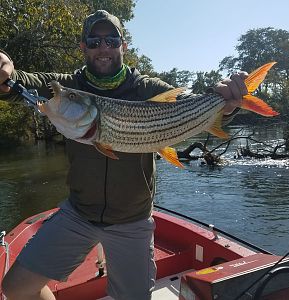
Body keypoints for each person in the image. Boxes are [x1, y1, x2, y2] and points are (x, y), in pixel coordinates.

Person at [0, 10, 248, 300]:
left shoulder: (147, 88)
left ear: (123, 46)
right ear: (83, 47)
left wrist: (227, 103)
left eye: (111, 39)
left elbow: (192, 106)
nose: (103, 47)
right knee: (15, 288)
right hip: (78, 213)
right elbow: (18, 84)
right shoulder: (69, 86)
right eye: (94, 41)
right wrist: (6, 71)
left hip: (132, 220)